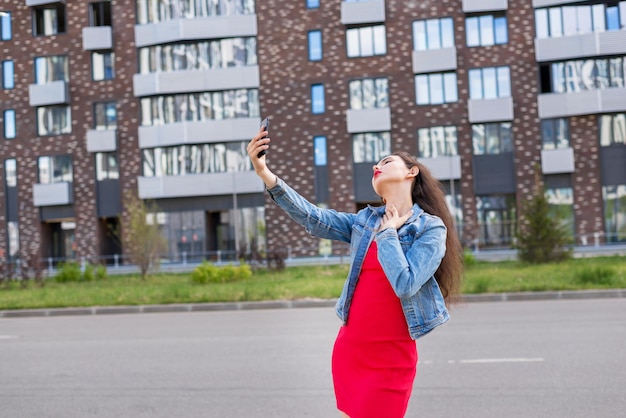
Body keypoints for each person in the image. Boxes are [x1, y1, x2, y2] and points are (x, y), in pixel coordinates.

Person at [247, 126, 463, 418]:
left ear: (411, 172)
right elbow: (314, 217)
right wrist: (265, 173)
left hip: (392, 357)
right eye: (376, 164)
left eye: (386, 161)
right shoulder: (364, 221)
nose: (377, 166)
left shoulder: (430, 228)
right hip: (353, 349)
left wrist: (387, 234)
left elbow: (405, 283)